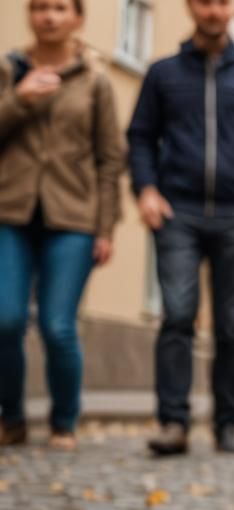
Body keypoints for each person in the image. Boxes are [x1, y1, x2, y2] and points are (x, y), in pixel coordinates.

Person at [128, 0, 234, 456]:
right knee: (178, 314)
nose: (213, 10)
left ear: (231, 8)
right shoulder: (162, 74)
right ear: (190, 7)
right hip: (177, 209)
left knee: (231, 325)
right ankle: (174, 423)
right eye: (204, 2)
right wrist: (145, 188)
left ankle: (227, 424)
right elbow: (140, 136)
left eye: (221, 2)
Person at [0, 0, 125, 451]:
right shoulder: (8, 70)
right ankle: (11, 417)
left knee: (57, 325)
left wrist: (106, 226)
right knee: (6, 319)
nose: (48, 17)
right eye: (38, 7)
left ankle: (63, 421)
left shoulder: (96, 80)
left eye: (59, 8)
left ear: (78, 18)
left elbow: (111, 159)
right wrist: (19, 99)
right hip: (9, 212)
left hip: (73, 216)